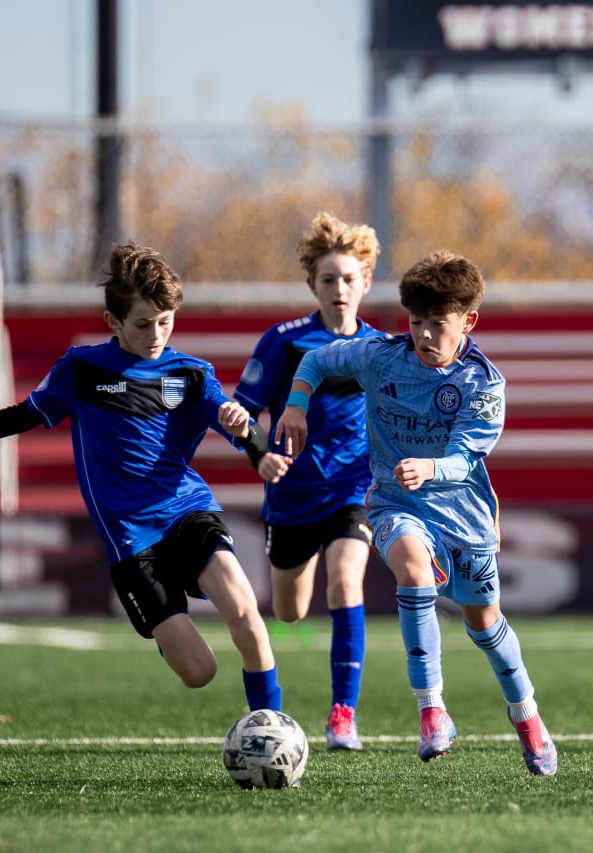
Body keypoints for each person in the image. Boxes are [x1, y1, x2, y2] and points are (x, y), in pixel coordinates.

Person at [0, 242, 284, 713]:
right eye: (143, 324)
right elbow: (22, 416)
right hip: (131, 538)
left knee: (246, 616)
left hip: (187, 511)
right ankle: (166, 628)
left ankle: (272, 728)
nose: (156, 334)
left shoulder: (192, 374)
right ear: (113, 322)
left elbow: (233, 420)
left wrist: (256, 443)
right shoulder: (82, 370)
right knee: (200, 672)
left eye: (165, 321)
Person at [275, 249, 559, 776]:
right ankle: (432, 711)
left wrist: (430, 467)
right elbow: (315, 359)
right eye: (417, 322)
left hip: (464, 515)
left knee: (485, 624)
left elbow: (466, 457)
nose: (424, 334)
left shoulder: (483, 382)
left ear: (468, 321)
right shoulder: (380, 355)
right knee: (411, 568)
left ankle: (528, 718)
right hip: (395, 504)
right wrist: (296, 403)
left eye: (438, 324)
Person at [232, 211, 383, 751]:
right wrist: (260, 457)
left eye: (349, 279)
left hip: (353, 489)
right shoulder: (284, 341)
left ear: (366, 282)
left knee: (346, 581)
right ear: (311, 285)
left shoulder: (382, 349)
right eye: (328, 279)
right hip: (293, 496)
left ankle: (343, 714)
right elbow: (238, 412)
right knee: (289, 611)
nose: (339, 289)